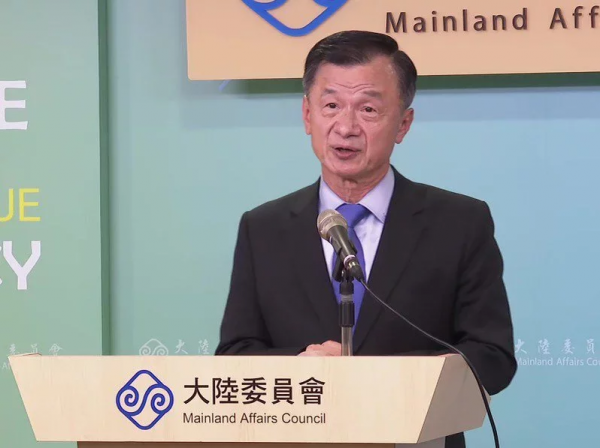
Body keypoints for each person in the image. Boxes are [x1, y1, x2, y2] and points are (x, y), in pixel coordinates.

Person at [215, 30, 516, 448]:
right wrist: (303, 366)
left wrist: (377, 376)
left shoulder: (460, 222)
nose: (346, 127)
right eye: (331, 105)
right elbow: (234, 356)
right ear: (307, 115)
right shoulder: (263, 227)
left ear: (403, 124)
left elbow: (492, 357)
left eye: (369, 109)